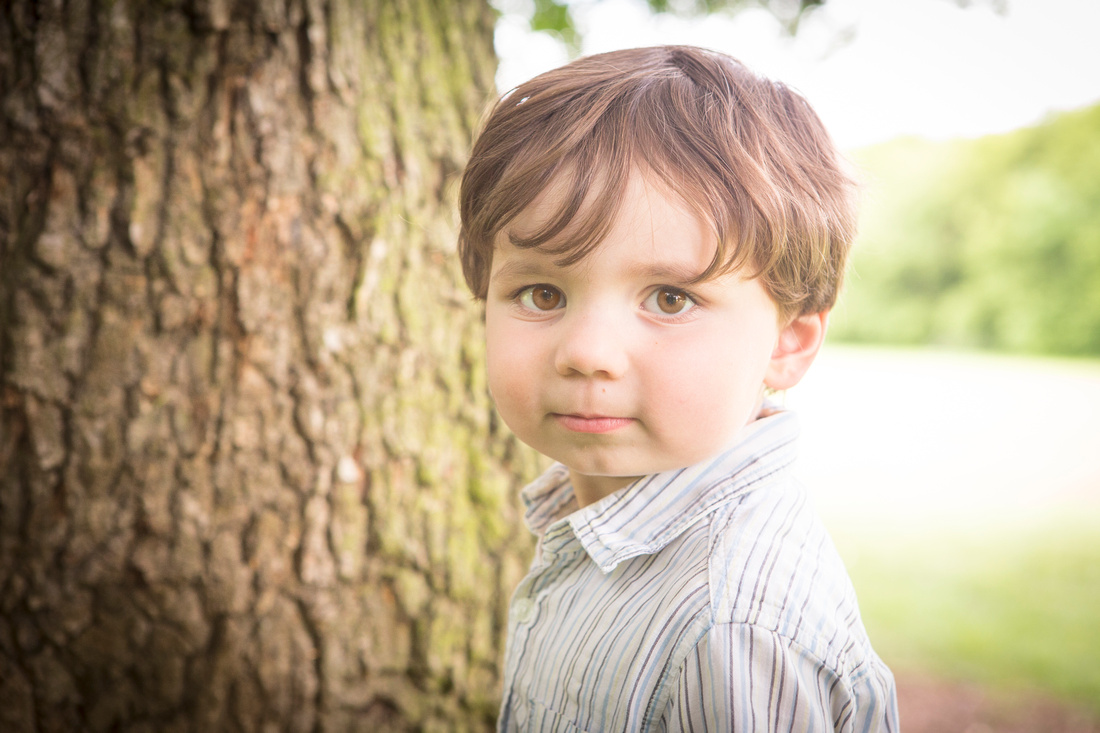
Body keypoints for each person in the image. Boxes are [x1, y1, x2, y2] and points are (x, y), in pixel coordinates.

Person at [458, 45, 898, 731]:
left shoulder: (731, 629)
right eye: (542, 292)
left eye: (669, 299)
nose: (587, 354)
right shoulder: (605, 523)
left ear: (787, 342)